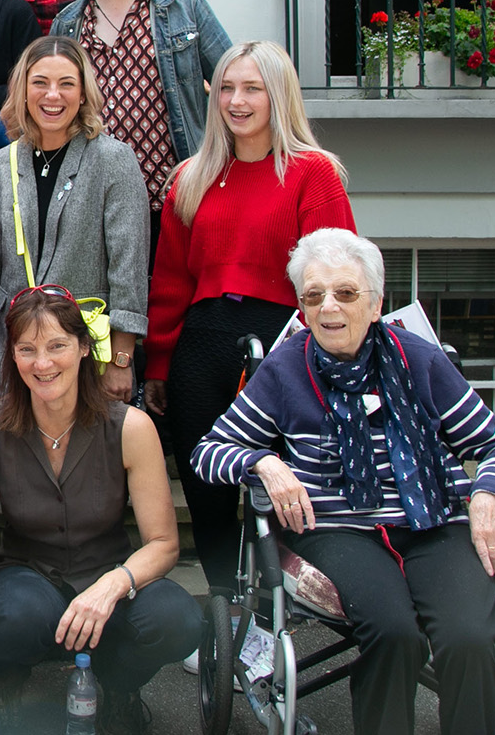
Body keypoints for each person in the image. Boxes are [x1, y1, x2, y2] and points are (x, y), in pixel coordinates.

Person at [194, 228, 495, 735]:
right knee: (395, 632)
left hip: (432, 522)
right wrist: (263, 462)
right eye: (314, 295)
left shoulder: (420, 359)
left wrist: (488, 491)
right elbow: (210, 451)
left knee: (467, 634)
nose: (329, 306)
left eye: (346, 293)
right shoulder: (285, 369)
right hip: (336, 530)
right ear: (303, 308)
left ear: (374, 304)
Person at [0, 288, 200, 735]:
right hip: (27, 570)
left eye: (57, 346)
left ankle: (119, 684)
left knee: (177, 619)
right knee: (15, 616)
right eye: (27, 350)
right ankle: (5, 677)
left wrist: (113, 586)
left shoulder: (131, 427)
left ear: (83, 348)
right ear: (12, 356)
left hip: (108, 569)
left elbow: (163, 543)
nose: (43, 364)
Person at [148, 41, 356, 594]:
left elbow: (334, 277)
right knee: (207, 488)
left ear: (278, 94)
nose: (236, 101)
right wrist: (160, 365)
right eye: (226, 89)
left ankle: (270, 617)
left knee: (283, 490)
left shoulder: (315, 174)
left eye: (252, 89)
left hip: (285, 343)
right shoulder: (190, 177)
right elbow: (170, 281)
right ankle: (222, 613)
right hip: (202, 344)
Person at [0, 37, 150, 403]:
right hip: (16, 352)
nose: (53, 95)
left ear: (83, 93)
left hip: (87, 354)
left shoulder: (113, 159)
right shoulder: (2, 164)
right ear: (23, 90)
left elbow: (128, 268)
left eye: (66, 83)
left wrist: (122, 357)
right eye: (40, 83)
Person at [50, 0, 232, 224]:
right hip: (96, 206)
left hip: (180, 198)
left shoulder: (186, 8)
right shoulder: (67, 24)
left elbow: (236, 86)